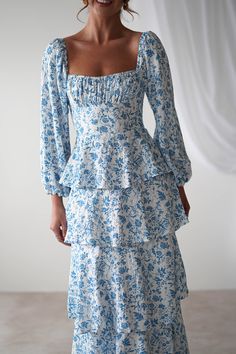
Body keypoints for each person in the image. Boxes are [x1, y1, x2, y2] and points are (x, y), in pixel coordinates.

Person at [40, 0, 192, 352]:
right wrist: (55, 203)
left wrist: (178, 184)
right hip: (89, 196)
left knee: (151, 284)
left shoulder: (146, 46)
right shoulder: (59, 52)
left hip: (145, 190)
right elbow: (53, 132)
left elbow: (167, 119)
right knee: (98, 289)